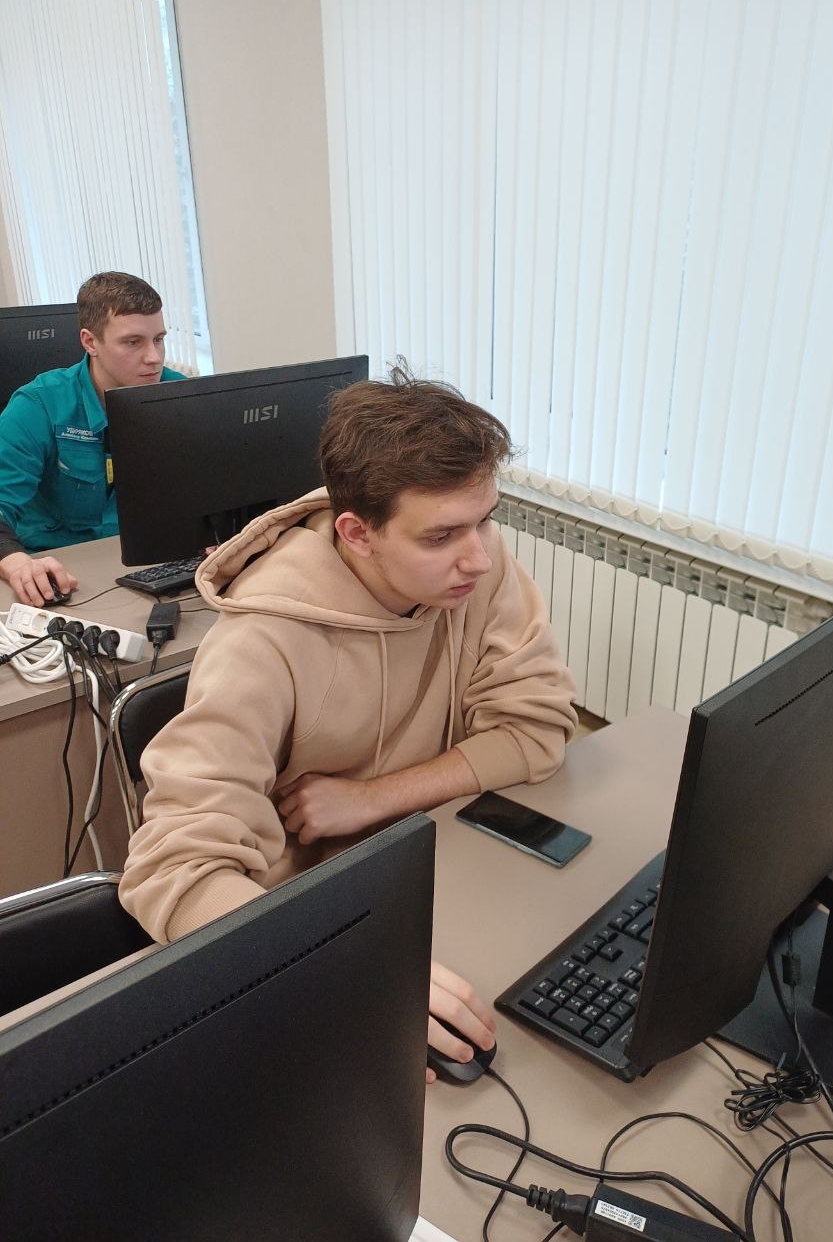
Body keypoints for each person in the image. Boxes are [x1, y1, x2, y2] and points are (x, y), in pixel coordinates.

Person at [120, 365, 579, 1077]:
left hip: (433, 870)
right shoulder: (261, 641)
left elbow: (536, 730)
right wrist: (349, 970)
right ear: (357, 534)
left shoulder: (476, 572)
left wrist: (373, 797)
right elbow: (172, 865)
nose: (480, 556)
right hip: (303, 930)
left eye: (487, 519)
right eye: (441, 536)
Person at [0, 271, 186, 606]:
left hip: (145, 567)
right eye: (133, 342)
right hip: (59, 569)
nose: (154, 357)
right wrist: (17, 563)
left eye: (158, 339)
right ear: (90, 342)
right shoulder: (37, 405)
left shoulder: (180, 396)